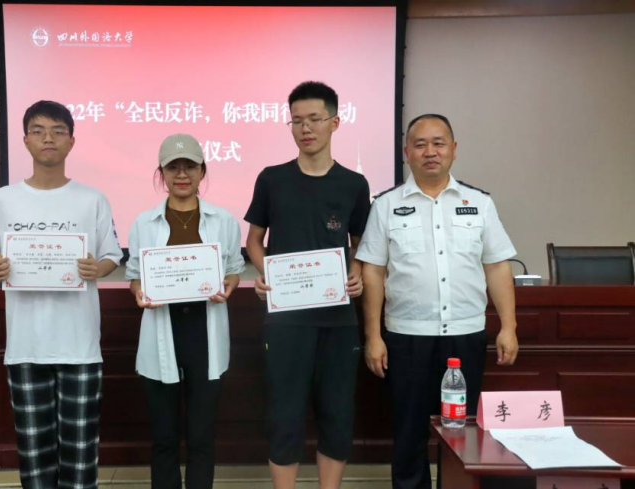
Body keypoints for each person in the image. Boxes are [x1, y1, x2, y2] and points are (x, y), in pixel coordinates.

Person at [356, 114, 518, 489]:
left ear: (453, 150)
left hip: (465, 335)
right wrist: (373, 336)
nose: (430, 152)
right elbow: (373, 273)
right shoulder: (386, 205)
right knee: (409, 433)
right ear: (406, 153)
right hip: (406, 337)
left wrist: (509, 327)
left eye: (439, 143)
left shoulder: (479, 203)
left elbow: (497, 266)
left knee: (463, 434)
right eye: (420, 144)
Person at [0, 100, 123, 489]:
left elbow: (111, 255)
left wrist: (98, 269)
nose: (48, 139)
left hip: (79, 345)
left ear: (72, 141)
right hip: (26, 345)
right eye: (38, 131)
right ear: (25, 140)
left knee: (80, 455)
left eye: (58, 131)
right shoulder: (3, 199)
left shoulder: (92, 198)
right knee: (34, 457)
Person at [244, 81, 371, 489]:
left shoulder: (354, 184)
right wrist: (266, 273)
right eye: (297, 120)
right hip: (286, 319)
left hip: (338, 319)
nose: (305, 128)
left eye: (314, 119)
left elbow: (361, 244)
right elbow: (254, 240)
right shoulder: (272, 179)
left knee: (337, 413)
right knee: (284, 414)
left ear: (335, 122)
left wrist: (356, 272)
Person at [125, 133, 244, 489]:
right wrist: (139, 292)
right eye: (173, 167)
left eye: (189, 166)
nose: (181, 174)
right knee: (163, 436)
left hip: (204, 332)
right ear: (161, 173)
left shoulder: (223, 220)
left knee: (201, 435)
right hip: (162, 327)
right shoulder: (144, 223)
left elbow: (233, 270)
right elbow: (135, 276)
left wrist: (228, 286)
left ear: (202, 171)